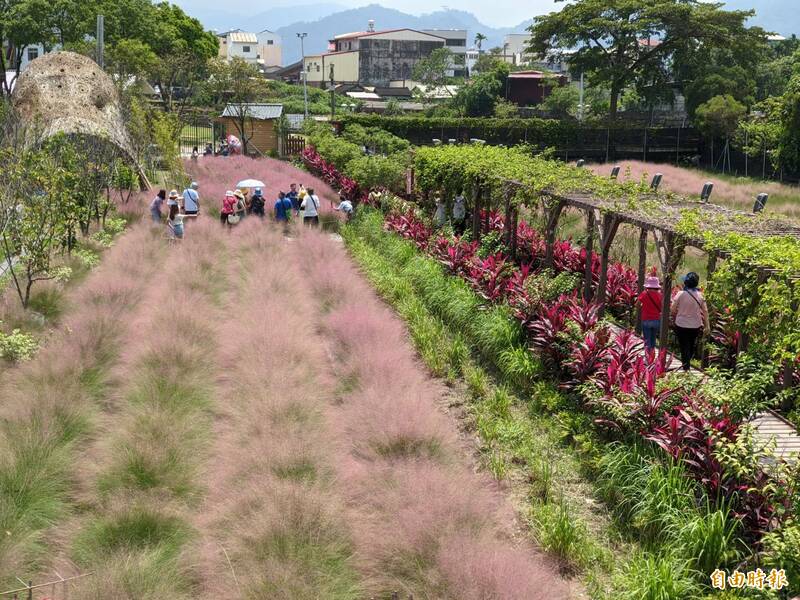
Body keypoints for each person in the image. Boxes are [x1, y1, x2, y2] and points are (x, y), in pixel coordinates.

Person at [670, 271, 710, 371]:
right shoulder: (700, 296)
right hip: (695, 325)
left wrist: (679, 312)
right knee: (691, 346)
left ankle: (686, 368)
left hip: (681, 324)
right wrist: (707, 326)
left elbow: (672, 309)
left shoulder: (680, 294)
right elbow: (705, 311)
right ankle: (687, 365)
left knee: (684, 347)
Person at [637, 275, 663, 351]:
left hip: (646, 319)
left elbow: (637, 304)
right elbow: (662, 307)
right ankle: (652, 355)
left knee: (647, 340)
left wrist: (643, 307)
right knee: (653, 339)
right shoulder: (660, 295)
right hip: (656, 320)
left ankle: (648, 359)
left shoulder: (644, 294)